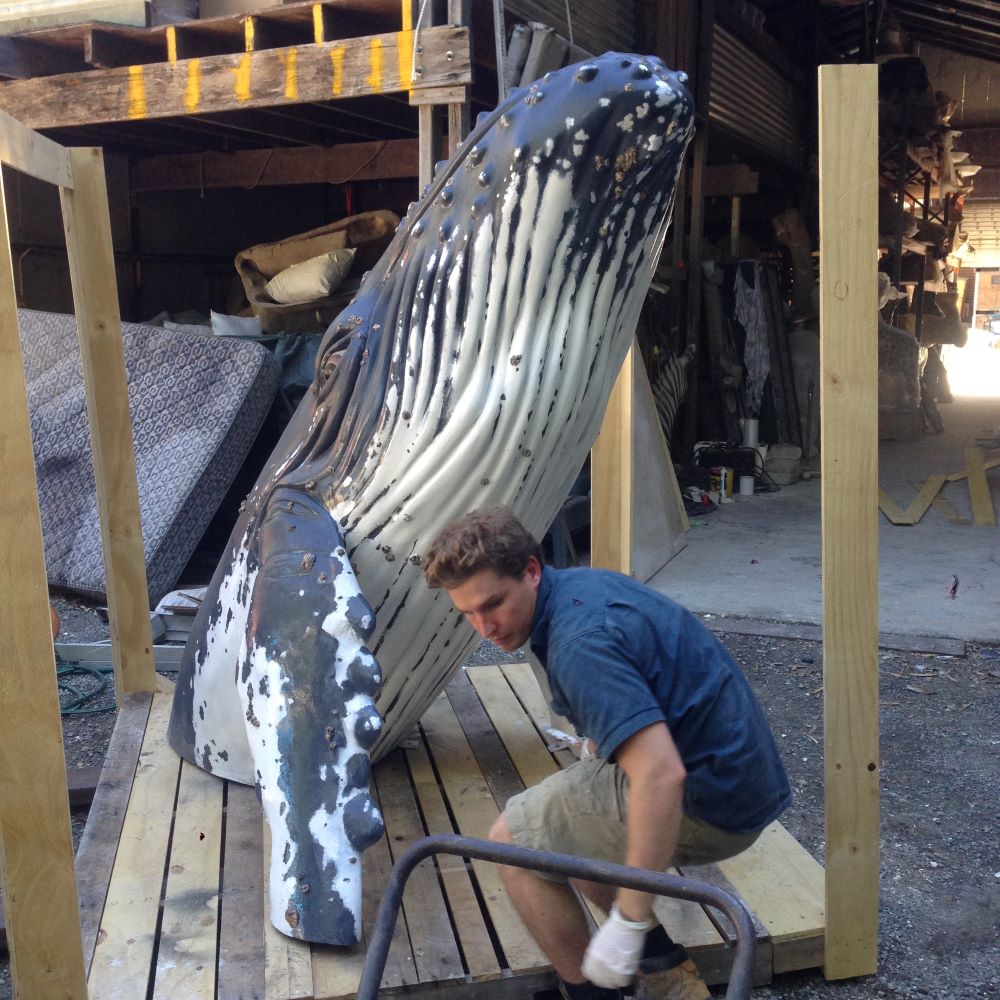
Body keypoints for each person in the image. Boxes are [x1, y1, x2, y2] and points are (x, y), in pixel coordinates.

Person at [423, 507, 792, 1000]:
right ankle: (663, 970)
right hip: (744, 776)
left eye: (493, 604)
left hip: (714, 800)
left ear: (531, 570)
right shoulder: (581, 589)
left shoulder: (580, 643)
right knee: (568, 818)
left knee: (513, 840)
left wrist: (629, 919)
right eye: (466, 613)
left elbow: (660, 776)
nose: (484, 627)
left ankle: (590, 994)